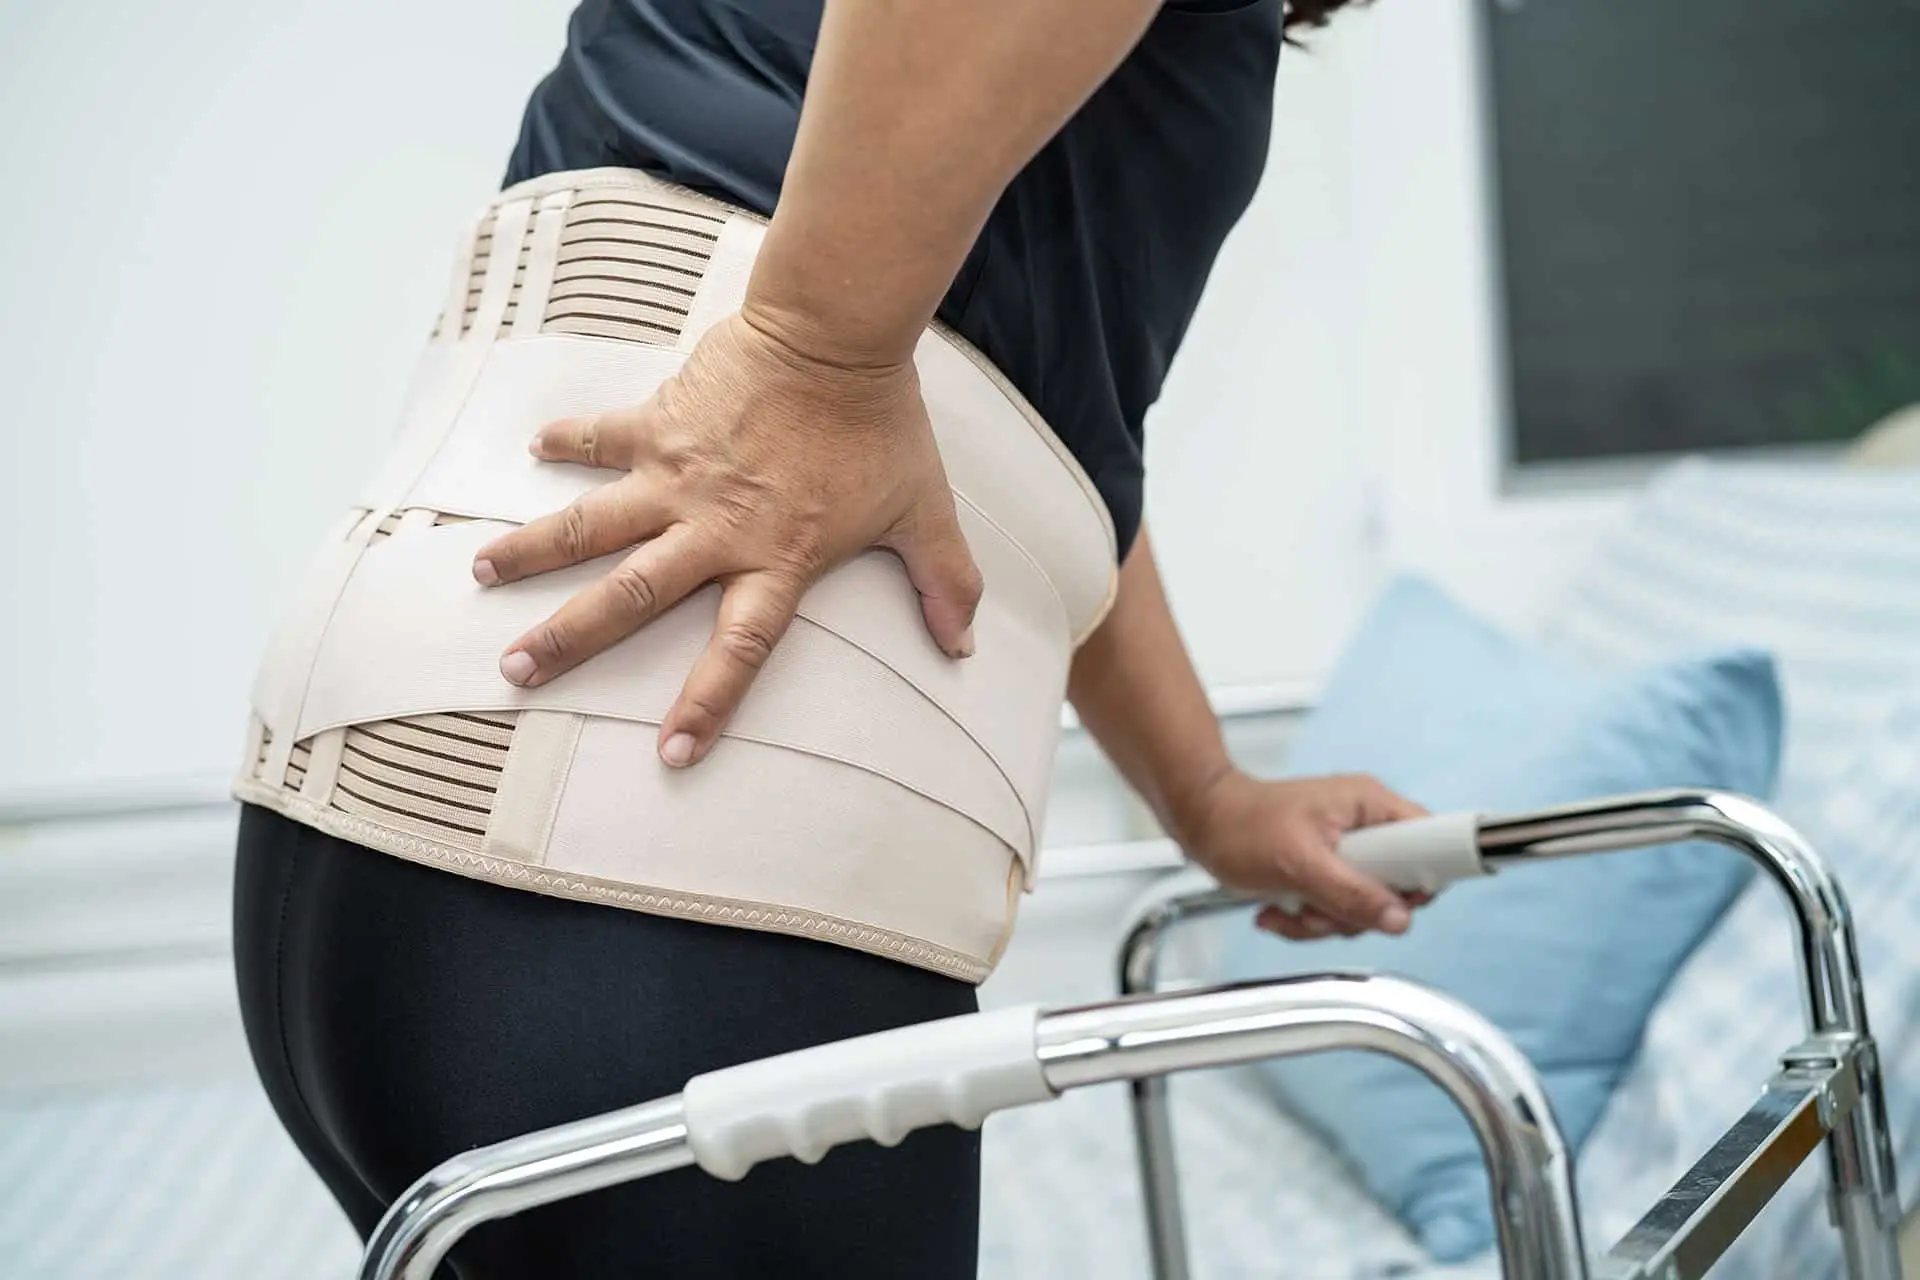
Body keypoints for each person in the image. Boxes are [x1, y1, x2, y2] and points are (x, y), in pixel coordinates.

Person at [231, 1, 1424, 1276]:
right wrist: (816, 356)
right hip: (676, 878)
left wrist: (1207, 791)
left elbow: (1015, 452)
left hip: (372, 841)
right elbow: (837, 405)